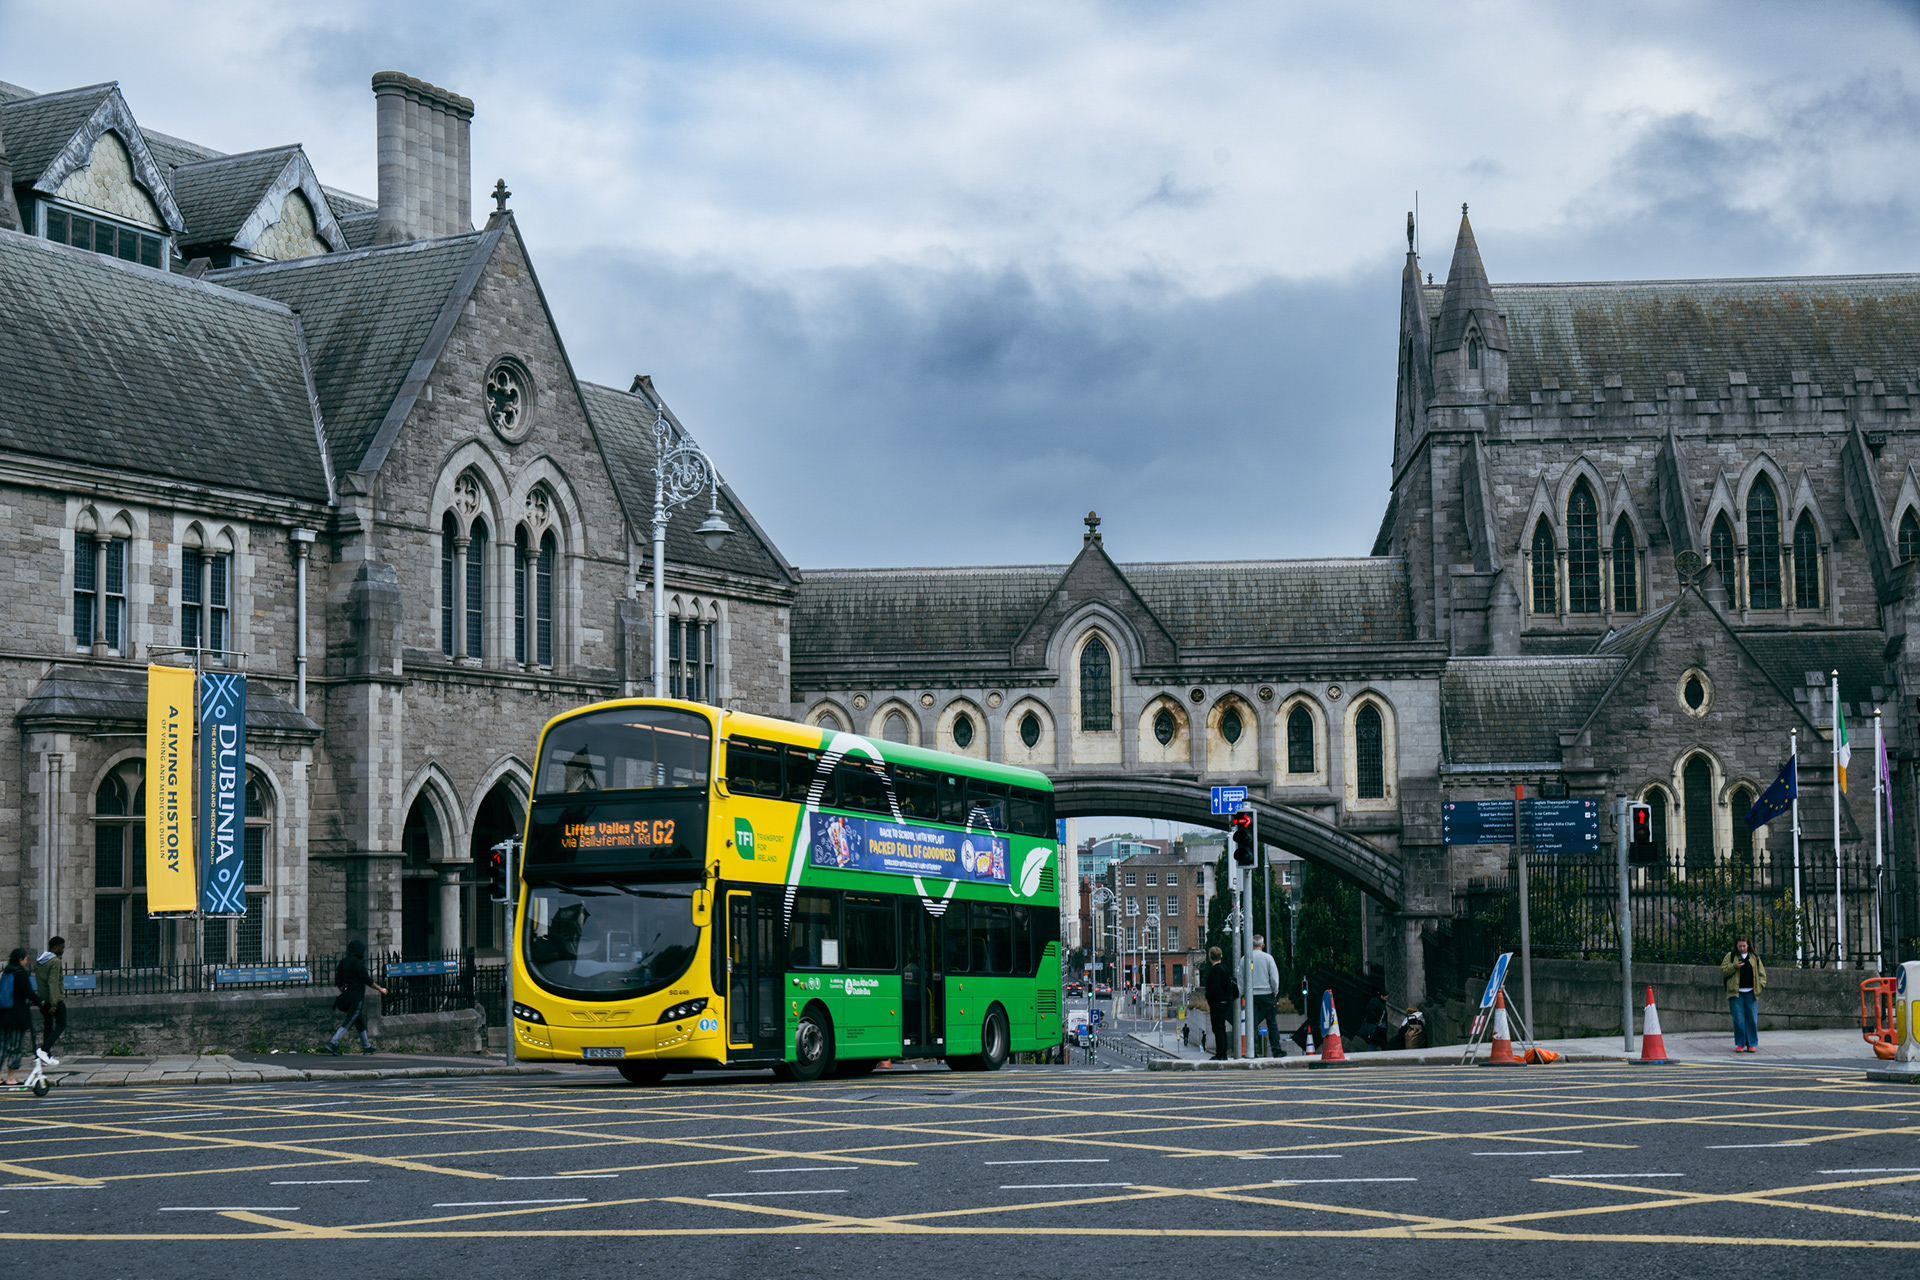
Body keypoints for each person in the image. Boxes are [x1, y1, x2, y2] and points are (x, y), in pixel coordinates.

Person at [325, 940, 388, 1056]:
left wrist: (345, 991)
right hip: (356, 996)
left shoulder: (343, 962)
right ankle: (333, 1043)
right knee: (350, 1020)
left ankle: (367, 1046)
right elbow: (367, 980)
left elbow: (338, 982)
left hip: (346, 994)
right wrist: (380, 989)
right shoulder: (357, 963)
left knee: (359, 1021)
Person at [1720, 938, 1766, 1053]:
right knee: (1738, 1020)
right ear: (1736, 946)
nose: (1742, 948)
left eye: (1744, 946)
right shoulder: (1730, 956)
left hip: (1751, 992)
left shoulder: (1754, 957)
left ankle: (1752, 1044)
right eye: (1740, 946)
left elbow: (1762, 974)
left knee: (1752, 1019)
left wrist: (1760, 986)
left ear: (1748, 946)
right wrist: (1734, 966)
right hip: (1736, 992)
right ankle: (1740, 1043)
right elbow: (1724, 970)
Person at [0, 949, 36, 1086]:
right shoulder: (20, 974)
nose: (26, 962)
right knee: (15, 1047)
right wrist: (40, 1003)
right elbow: (29, 992)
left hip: (3, 1016)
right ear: (20, 959)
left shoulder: (6, 972)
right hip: (17, 1018)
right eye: (26, 959)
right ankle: (10, 1078)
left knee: (1, 1047)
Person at [1249, 935, 1283, 1057]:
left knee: (1251, 1024)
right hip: (1267, 993)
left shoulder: (1245, 959)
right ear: (1262, 945)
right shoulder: (1268, 958)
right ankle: (1276, 1049)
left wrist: (1243, 993)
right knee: (1271, 1022)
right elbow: (1274, 978)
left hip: (1251, 994)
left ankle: (1252, 1051)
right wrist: (1275, 992)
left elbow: (1241, 978)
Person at [1203, 946, 1239, 1061]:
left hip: (1217, 1002)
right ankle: (1222, 1052)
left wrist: (1209, 997)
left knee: (1218, 1028)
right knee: (1221, 1027)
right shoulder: (1225, 968)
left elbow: (1214, 988)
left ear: (1210, 957)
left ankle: (1220, 1053)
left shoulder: (1215, 970)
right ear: (1221, 956)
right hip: (1226, 1001)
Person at [32, 937, 64, 1056]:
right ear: (55, 948)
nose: (63, 950)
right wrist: (54, 1003)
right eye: (62, 947)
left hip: (43, 999)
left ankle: (46, 1054)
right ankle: (44, 1049)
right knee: (61, 1024)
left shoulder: (40, 961)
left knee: (48, 1026)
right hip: (54, 999)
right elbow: (53, 982)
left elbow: (40, 981)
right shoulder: (55, 961)